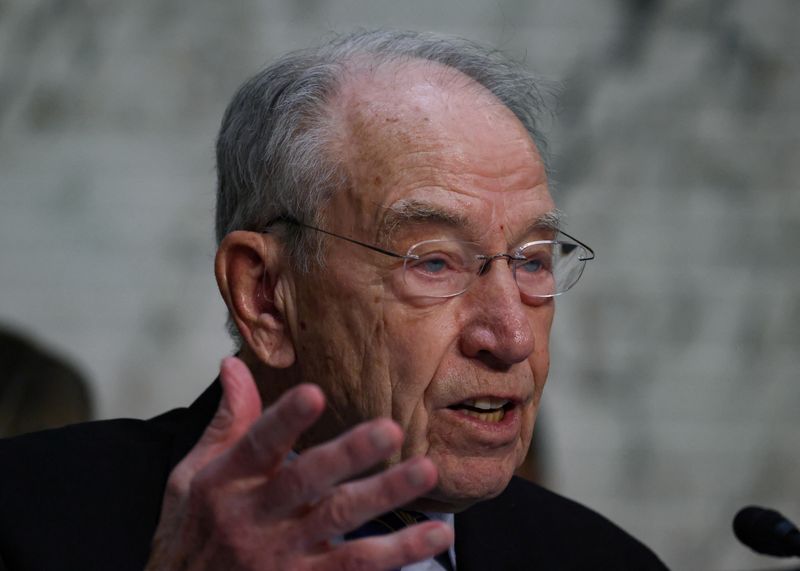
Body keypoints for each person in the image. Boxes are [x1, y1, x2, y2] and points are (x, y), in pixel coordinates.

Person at [0, 30, 668, 570]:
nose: (510, 336)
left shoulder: (604, 559)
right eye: (434, 261)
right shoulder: (25, 518)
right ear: (265, 295)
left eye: (531, 260)